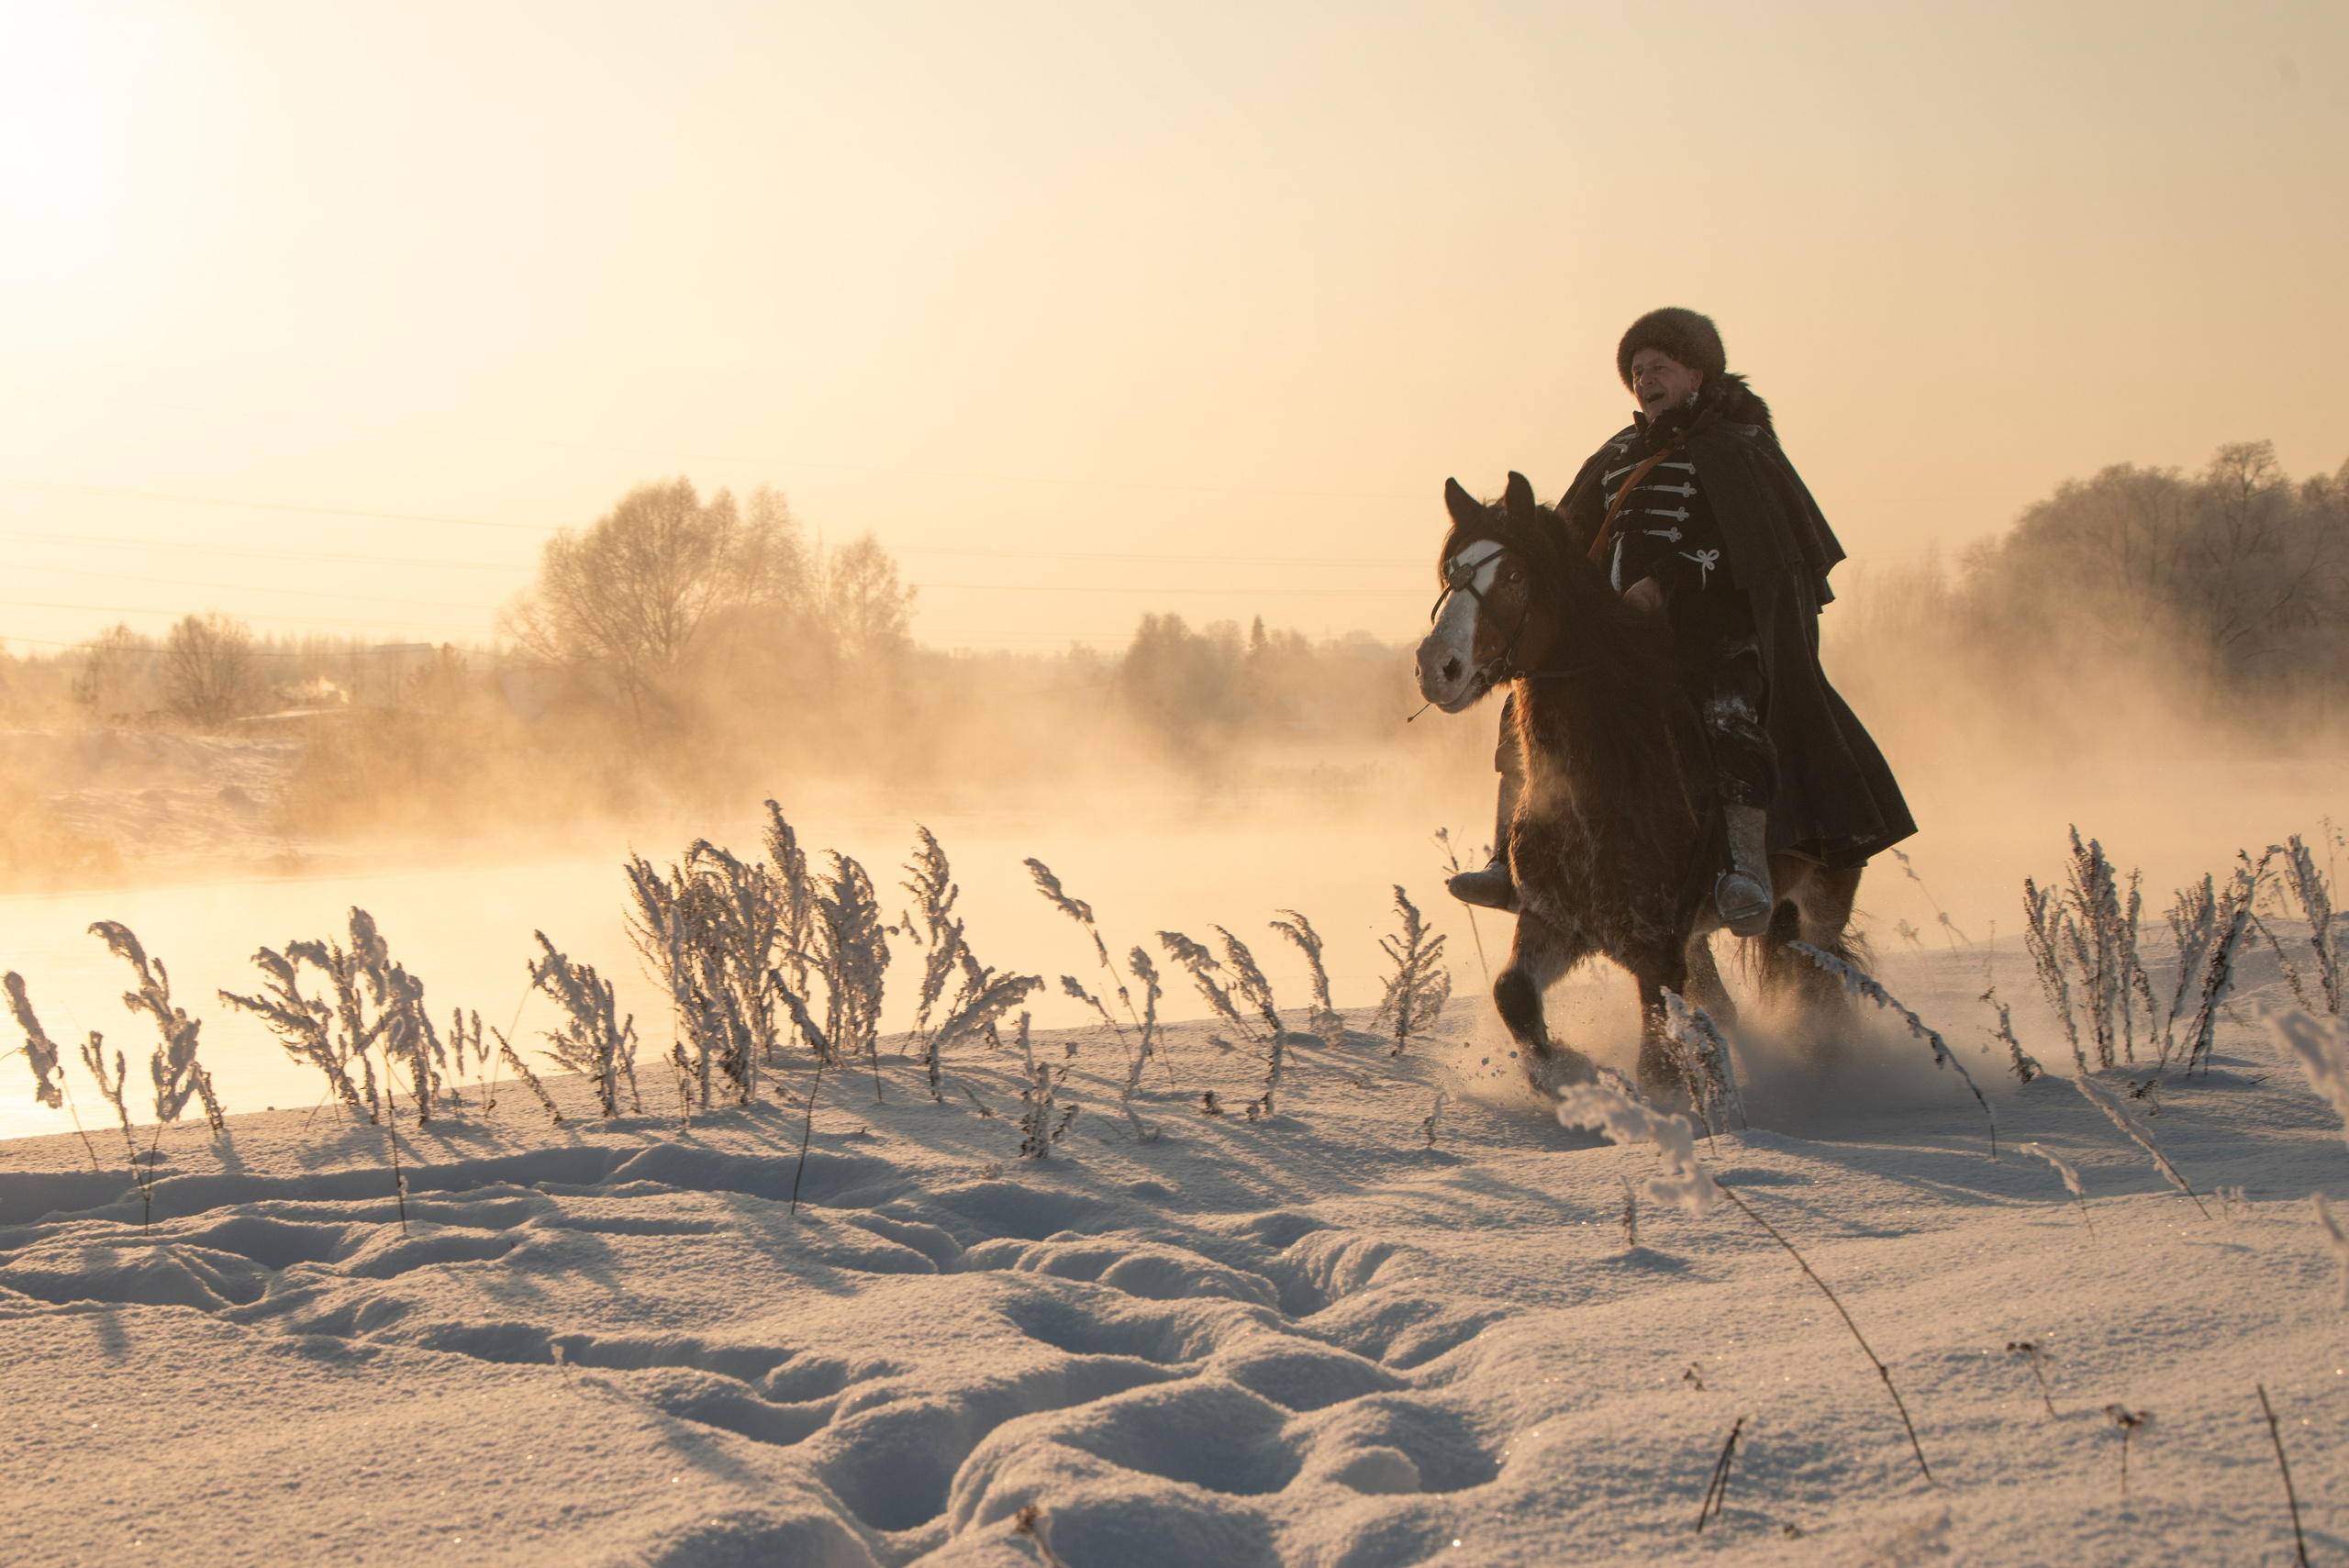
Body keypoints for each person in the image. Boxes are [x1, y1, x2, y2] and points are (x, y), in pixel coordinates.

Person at [1446, 307, 1914, 932]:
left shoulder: (1736, 450)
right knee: (1526, 709)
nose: (1644, 379)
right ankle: (1509, 859)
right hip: (1621, 643)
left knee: (1727, 715)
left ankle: (1744, 870)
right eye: (1636, 371)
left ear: (1696, 372)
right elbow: (1564, 539)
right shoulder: (1615, 455)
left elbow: (1751, 544)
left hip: (1712, 633)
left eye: (1658, 367)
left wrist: (1665, 581)